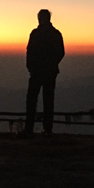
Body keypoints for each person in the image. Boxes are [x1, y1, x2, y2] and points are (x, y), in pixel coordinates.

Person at [22, 9, 65, 137]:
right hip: (49, 72)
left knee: (32, 100)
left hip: (38, 72)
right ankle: (47, 129)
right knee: (48, 100)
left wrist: (32, 67)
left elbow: (29, 51)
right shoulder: (55, 34)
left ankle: (29, 129)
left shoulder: (36, 34)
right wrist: (51, 64)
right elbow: (60, 53)